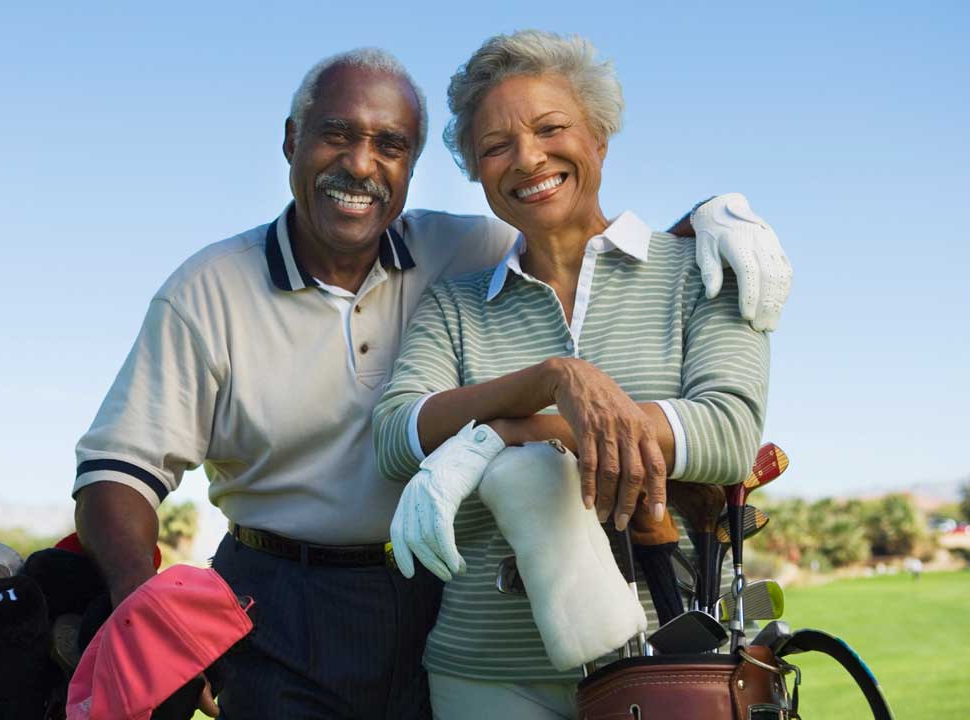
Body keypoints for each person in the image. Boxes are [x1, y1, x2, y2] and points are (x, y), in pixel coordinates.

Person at [72, 46, 790, 719]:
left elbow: (586, 240)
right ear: (291, 141)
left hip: (427, 588)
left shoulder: (458, 250)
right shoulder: (212, 289)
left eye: (390, 145)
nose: (361, 164)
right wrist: (140, 605)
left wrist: (715, 213)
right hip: (279, 597)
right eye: (335, 135)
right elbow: (119, 471)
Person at [374, 31, 772, 718]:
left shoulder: (699, 271)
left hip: (673, 668)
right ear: (475, 169)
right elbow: (396, 436)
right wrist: (555, 379)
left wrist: (494, 436)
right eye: (496, 146)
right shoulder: (456, 303)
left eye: (551, 128)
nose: (527, 158)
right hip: (485, 673)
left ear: (599, 139)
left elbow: (727, 432)